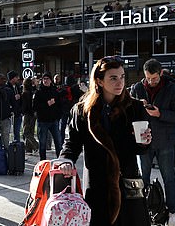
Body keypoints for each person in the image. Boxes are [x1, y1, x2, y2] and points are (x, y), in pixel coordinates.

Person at [59, 56, 152, 226]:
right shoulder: (82, 111)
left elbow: (141, 149)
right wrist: (66, 160)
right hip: (97, 183)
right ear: (99, 81)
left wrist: (144, 142)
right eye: (113, 78)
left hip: (127, 182)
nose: (120, 82)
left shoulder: (135, 108)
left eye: (122, 77)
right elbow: (71, 143)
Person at [130, 59, 175, 225]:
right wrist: (137, 107)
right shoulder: (137, 88)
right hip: (143, 141)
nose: (151, 82)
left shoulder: (173, 88)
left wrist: (160, 114)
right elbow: (127, 110)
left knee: (169, 178)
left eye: (154, 78)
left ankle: (173, 212)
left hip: (165, 141)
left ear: (161, 73)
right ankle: (142, 210)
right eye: (148, 78)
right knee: (142, 178)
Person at [33, 72, 63, 160]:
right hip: (43, 121)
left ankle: (60, 160)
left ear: (51, 80)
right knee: (42, 143)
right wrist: (47, 104)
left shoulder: (55, 91)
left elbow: (59, 105)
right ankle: (43, 161)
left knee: (58, 142)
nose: (45, 81)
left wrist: (58, 116)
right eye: (44, 79)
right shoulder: (38, 92)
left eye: (47, 79)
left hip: (54, 120)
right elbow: (35, 107)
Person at [21, 77, 38, 153]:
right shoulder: (33, 91)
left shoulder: (25, 93)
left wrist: (22, 111)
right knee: (30, 131)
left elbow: (25, 105)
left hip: (27, 114)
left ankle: (36, 145)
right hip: (33, 114)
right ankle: (29, 149)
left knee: (26, 132)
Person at [6, 71, 22, 142]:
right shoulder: (6, 87)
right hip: (9, 113)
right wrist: (13, 98)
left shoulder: (17, 86)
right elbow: (5, 99)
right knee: (6, 131)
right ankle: (3, 146)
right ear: (12, 78)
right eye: (16, 77)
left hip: (18, 112)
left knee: (17, 131)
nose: (18, 78)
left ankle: (17, 147)